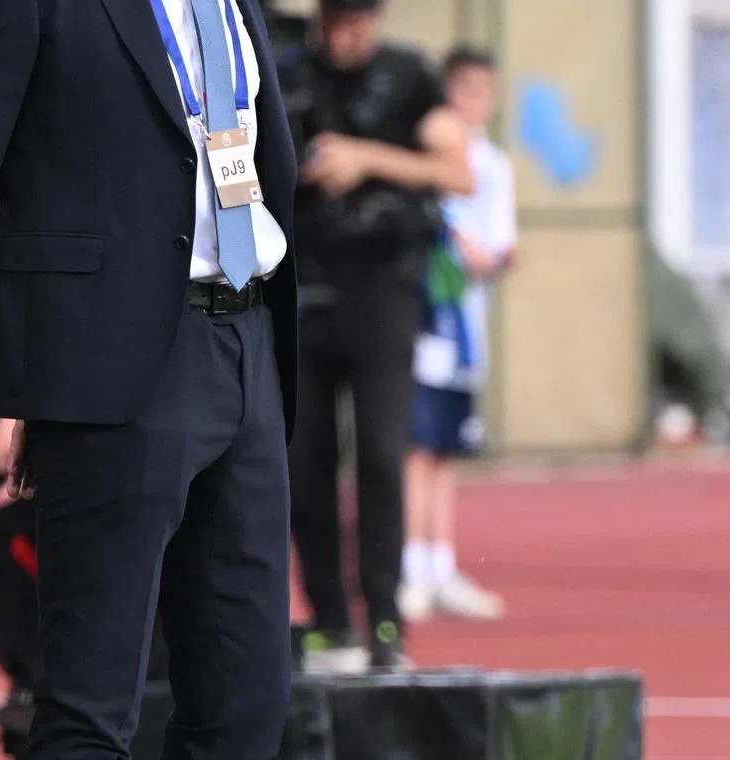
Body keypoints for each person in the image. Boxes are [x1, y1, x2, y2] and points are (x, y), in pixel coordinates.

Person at [0, 0, 300, 758]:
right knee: (91, 709)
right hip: (112, 367)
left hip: (250, 343)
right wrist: (37, 352)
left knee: (247, 701)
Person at [283, 0, 474, 674]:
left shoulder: (409, 76)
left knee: (380, 459)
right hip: (304, 288)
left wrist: (366, 158)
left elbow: (458, 170)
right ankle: (330, 619)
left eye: (357, 21)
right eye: (334, 21)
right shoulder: (290, 70)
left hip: (382, 293)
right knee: (304, 465)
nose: (344, 35)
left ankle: (385, 621)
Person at [401, 46, 516, 623]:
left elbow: (500, 252)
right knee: (414, 448)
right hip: (421, 327)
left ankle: (441, 566)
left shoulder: (495, 166)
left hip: (463, 328)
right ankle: (409, 567)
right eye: (461, 89)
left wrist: (479, 257)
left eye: (482, 91)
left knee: (443, 450)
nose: (472, 102)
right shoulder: (423, 159)